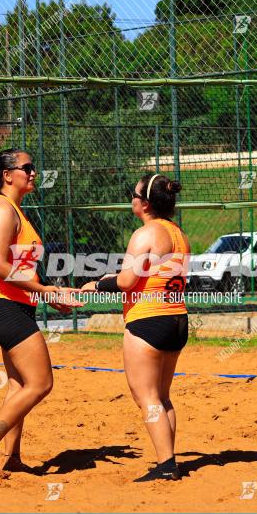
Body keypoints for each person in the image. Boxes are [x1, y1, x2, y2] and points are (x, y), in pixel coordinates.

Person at [0, 148, 82, 477]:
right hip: (3, 307)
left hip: (16, 306)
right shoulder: (1, 209)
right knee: (41, 383)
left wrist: (48, 295)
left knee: (19, 385)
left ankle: (13, 457)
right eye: (27, 168)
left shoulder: (14, 209)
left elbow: (22, 270)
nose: (33, 173)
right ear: (8, 175)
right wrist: (44, 291)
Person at [82, 173, 189, 481]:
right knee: (163, 396)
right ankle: (168, 460)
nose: (131, 199)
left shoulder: (146, 233)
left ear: (144, 203)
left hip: (148, 319)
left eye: (133, 194)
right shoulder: (179, 234)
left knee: (147, 397)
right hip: (177, 318)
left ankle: (167, 465)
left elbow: (128, 281)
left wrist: (98, 284)